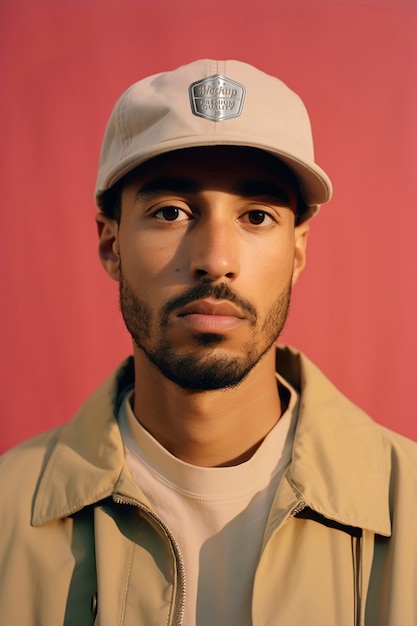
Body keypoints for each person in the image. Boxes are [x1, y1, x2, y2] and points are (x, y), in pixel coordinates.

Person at [1, 59, 416, 626]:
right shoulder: (7, 512)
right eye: (170, 212)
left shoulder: (408, 504)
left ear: (298, 251)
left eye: (257, 216)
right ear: (110, 243)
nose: (215, 261)